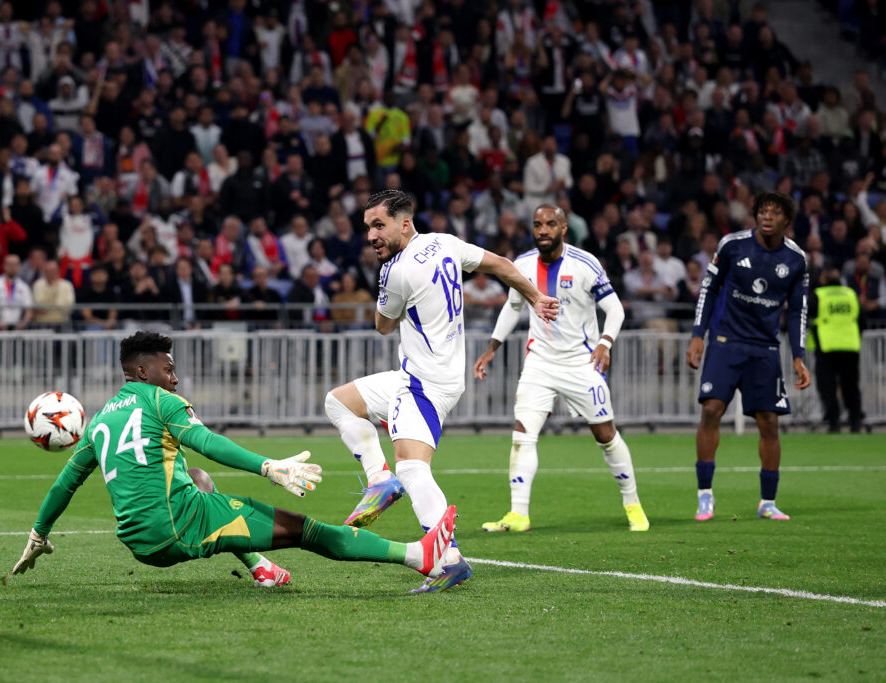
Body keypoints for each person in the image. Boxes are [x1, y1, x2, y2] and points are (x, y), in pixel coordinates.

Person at [11, 331, 456, 593]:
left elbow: (64, 486)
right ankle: (420, 556)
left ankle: (260, 567)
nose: (176, 376)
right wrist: (269, 466)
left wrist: (37, 535)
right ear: (144, 372)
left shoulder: (99, 422)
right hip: (180, 526)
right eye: (168, 368)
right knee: (309, 531)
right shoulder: (162, 403)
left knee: (199, 479)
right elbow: (208, 441)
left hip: (141, 544)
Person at [323, 190, 559, 593]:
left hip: (425, 382)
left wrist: (385, 290)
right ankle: (379, 480)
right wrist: (536, 297)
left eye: (379, 225)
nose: (371, 236)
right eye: (368, 228)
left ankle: (447, 559)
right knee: (339, 401)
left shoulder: (394, 272)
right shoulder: (445, 242)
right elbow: (501, 264)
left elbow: (382, 326)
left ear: (404, 223)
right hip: (421, 375)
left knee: (413, 468)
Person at [473, 205, 649, 533]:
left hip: (582, 362)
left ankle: (633, 503)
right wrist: (491, 349)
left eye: (550, 224)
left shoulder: (585, 264)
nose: (543, 230)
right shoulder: (522, 265)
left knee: (606, 436)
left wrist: (605, 343)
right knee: (522, 435)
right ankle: (519, 514)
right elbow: (512, 309)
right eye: (537, 224)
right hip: (539, 361)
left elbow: (614, 309)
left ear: (563, 228)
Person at [687, 191, 810, 522]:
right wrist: (698, 336)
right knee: (711, 410)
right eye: (762, 211)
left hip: (765, 348)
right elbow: (709, 289)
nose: (767, 217)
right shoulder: (732, 245)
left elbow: (798, 310)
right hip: (726, 342)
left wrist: (798, 356)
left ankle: (767, 502)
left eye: (775, 212)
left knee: (769, 422)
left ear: (787, 219)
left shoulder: (796, 259)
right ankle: (705, 495)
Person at [810, 269, 863, 433]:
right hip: (850, 346)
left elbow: (806, 316)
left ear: (823, 280)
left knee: (827, 387)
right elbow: (862, 319)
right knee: (851, 386)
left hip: (827, 347)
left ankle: (834, 422)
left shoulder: (818, 295)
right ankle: (855, 422)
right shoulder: (850, 294)